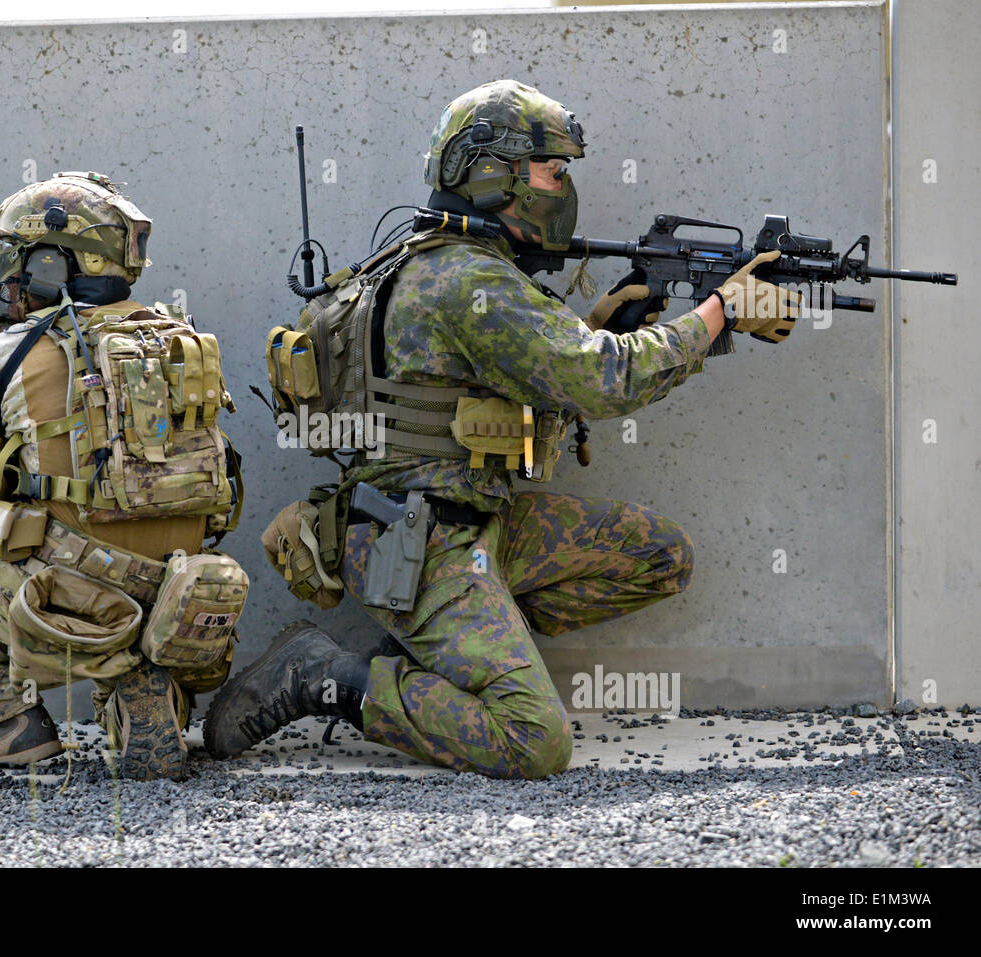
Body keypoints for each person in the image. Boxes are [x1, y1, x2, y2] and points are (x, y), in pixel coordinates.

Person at [204, 80, 800, 779]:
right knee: (533, 740)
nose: (564, 185)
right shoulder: (467, 283)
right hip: (420, 545)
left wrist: (604, 327)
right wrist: (718, 314)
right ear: (495, 175)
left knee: (660, 557)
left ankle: (457, 656)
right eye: (554, 168)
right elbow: (604, 381)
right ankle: (324, 675)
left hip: (467, 523)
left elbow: (526, 376)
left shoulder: (439, 264)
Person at [0, 171, 246, 781]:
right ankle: (142, 687)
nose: (7, 274)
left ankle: (2, 722)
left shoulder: (11, 351)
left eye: (18, 257)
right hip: (176, 592)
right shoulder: (181, 340)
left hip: (64, 601)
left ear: (50, 265)